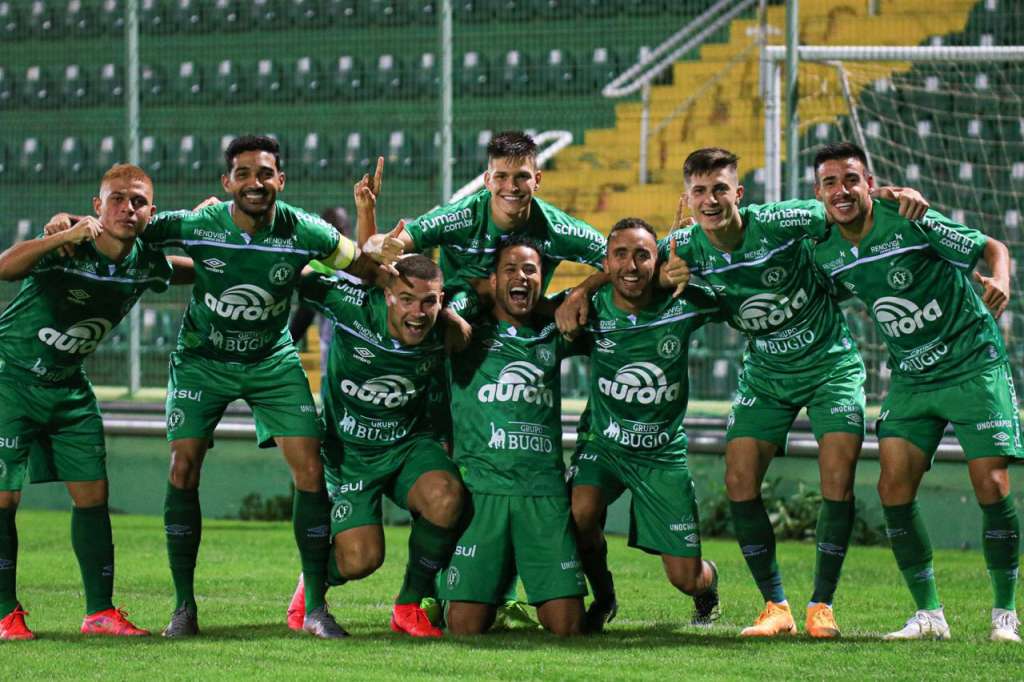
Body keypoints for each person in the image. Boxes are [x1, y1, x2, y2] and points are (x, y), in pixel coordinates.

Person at [44, 135, 405, 639]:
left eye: (264, 174)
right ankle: (183, 607)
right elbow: (123, 224)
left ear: (280, 180)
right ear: (226, 182)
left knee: (309, 465)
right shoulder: (196, 224)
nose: (254, 183)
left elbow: (364, 270)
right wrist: (65, 224)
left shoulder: (306, 229)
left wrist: (372, 233)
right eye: (243, 173)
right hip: (202, 360)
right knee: (183, 464)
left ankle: (316, 607)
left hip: (270, 361)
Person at [658, 147, 927, 638]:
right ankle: (775, 607)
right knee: (739, 480)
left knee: (837, 479)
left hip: (830, 366)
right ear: (688, 198)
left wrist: (891, 194)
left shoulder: (780, 221)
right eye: (700, 191)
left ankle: (821, 606)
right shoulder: (681, 247)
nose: (711, 200)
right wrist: (660, 277)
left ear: (738, 193)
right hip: (766, 373)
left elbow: (841, 204)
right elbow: (633, 268)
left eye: (720, 189)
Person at [811, 141, 1021, 643]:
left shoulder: (910, 217)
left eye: (851, 179)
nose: (842, 190)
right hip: (912, 375)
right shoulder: (824, 249)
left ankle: (1005, 617)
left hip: (973, 363)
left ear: (869, 181)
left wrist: (1000, 280)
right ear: (818, 193)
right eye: (830, 183)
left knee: (991, 484)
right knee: (893, 488)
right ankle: (929, 616)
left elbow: (993, 247)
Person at [0, 164, 192, 640]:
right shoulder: (65, 247)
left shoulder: (146, 262)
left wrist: (217, 246)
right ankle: (5, 613)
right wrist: (56, 234)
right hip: (10, 380)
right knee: (4, 499)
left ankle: (100, 613)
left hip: (68, 387)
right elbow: (5, 267)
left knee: (93, 496)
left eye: (140, 201)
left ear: (151, 210)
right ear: (97, 206)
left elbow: (191, 271)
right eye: (118, 199)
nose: (129, 208)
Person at [283, 255, 464, 638]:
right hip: (349, 455)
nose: (418, 312)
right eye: (407, 299)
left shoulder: (443, 329)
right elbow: (294, 271)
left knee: (447, 497)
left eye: (429, 301)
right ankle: (313, 583)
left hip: (408, 446)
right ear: (387, 296)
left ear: (441, 299)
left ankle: (409, 605)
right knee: (361, 560)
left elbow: (466, 329)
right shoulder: (351, 307)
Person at [569, 218, 721, 633]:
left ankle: (709, 584)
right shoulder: (590, 309)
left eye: (642, 255)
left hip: (662, 454)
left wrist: (695, 262)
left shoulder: (683, 300)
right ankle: (603, 598)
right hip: (605, 444)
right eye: (620, 255)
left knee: (685, 579)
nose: (631, 265)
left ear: (657, 262)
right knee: (578, 512)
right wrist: (577, 292)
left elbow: (735, 290)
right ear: (606, 262)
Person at [439, 235, 587, 636]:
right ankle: (447, 589)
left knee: (568, 627)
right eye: (510, 269)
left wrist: (586, 288)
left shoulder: (553, 330)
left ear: (541, 280)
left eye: (530, 269)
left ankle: (506, 585)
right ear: (492, 280)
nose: (521, 276)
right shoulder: (466, 334)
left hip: (542, 493)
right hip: (481, 491)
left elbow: (623, 290)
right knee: (465, 628)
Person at [288, 206, 352, 374]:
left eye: (344, 228)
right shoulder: (321, 262)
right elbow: (307, 310)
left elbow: (306, 312)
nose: (342, 234)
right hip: (335, 358)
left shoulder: (352, 256)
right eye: (339, 229)